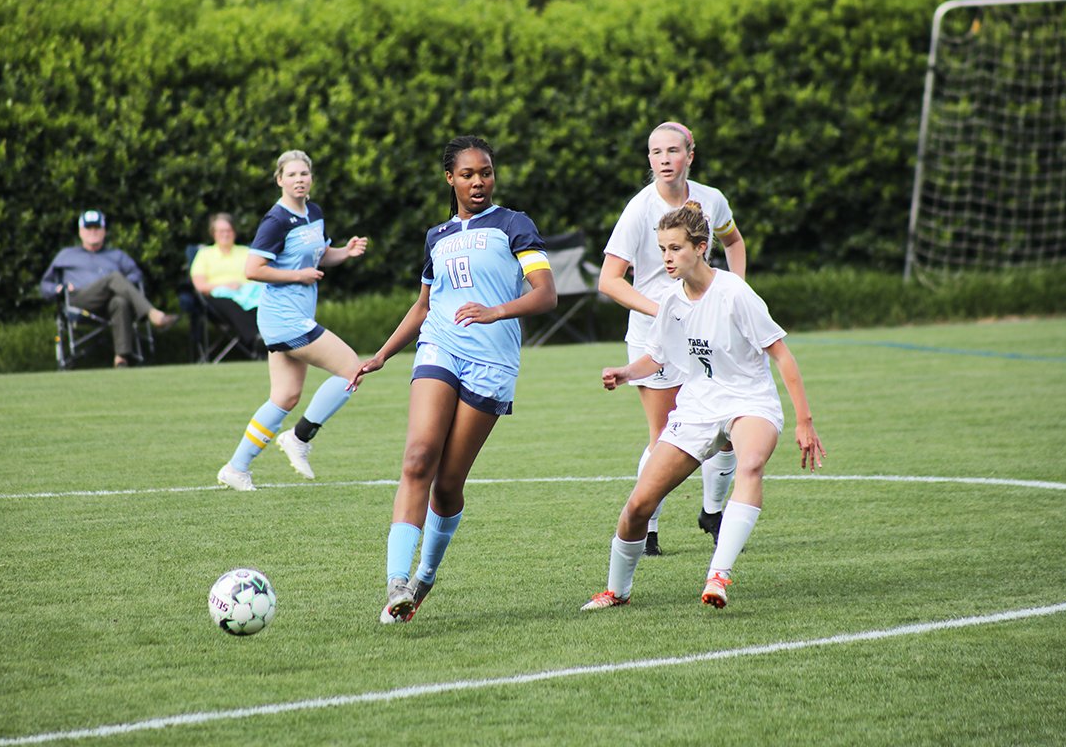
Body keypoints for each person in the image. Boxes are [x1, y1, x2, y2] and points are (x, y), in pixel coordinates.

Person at [348, 135, 557, 624]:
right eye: (467, 174)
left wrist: (496, 311)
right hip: (440, 347)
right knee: (419, 457)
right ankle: (396, 582)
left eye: (485, 172)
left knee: (447, 486)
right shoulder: (436, 236)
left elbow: (546, 295)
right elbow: (424, 307)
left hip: (493, 364)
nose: (478, 181)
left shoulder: (513, 225)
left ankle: (424, 577)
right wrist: (381, 355)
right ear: (450, 179)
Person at [582, 202, 824, 612]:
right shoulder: (670, 301)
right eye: (662, 249)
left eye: (675, 248)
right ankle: (616, 591)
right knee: (639, 505)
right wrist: (625, 372)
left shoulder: (734, 293)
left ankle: (718, 575)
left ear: (700, 247)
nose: (666, 258)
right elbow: (657, 356)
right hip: (697, 407)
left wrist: (804, 421)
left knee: (749, 465)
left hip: (749, 401)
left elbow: (782, 355)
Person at [598, 121, 748, 556]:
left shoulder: (711, 199)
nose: (664, 159)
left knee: (727, 427)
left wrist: (733, 291)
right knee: (666, 437)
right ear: (649, 159)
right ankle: (647, 529)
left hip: (710, 334)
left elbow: (734, 242)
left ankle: (712, 512)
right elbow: (610, 281)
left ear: (690, 154)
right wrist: (664, 311)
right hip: (654, 339)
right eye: (655, 152)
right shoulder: (639, 209)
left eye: (672, 151)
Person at [215, 150, 369, 491]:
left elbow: (319, 255)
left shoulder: (313, 212)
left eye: (305, 174)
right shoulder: (276, 221)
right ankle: (299, 438)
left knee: (284, 397)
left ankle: (236, 468)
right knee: (352, 370)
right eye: (293, 174)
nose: (300, 179)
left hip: (294, 316)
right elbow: (253, 269)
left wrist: (345, 251)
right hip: (282, 318)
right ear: (280, 179)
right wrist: (298, 276)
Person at [40, 209, 178, 368]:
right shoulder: (66, 255)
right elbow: (45, 285)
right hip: (79, 300)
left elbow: (137, 276)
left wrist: (119, 286)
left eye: (97, 228)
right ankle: (152, 314)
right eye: (89, 228)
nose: (93, 232)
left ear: (104, 231)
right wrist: (58, 288)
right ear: (80, 232)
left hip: (109, 303)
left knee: (120, 301)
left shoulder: (116, 255)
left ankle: (121, 358)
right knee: (114, 277)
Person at [190, 212, 262, 352]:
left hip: (249, 292)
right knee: (230, 303)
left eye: (228, 230)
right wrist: (225, 286)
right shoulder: (204, 254)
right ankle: (256, 339)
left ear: (234, 232)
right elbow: (200, 286)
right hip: (217, 296)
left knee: (263, 299)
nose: (225, 234)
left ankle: (274, 339)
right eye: (221, 231)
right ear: (214, 233)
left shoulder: (246, 252)